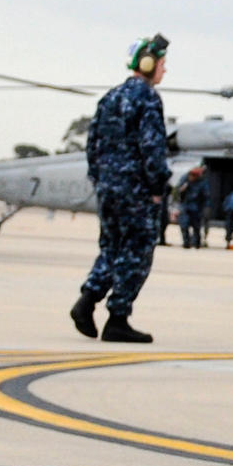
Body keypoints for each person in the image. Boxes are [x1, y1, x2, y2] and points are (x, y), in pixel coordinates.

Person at [70, 34, 172, 343]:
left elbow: (92, 144)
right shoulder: (147, 98)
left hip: (109, 188)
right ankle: (118, 319)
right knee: (137, 251)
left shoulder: (111, 97)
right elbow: (152, 147)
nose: (165, 71)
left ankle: (87, 300)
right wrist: (157, 186)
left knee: (112, 248)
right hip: (136, 190)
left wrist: (100, 179)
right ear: (148, 64)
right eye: (163, 64)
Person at [178, 166, 210, 249]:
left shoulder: (202, 182)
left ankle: (197, 243)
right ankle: (186, 243)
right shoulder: (184, 179)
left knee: (196, 227)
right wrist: (182, 189)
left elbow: (206, 196)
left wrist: (206, 207)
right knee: (184, 225)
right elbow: (178, 192)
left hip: (197, 208)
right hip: (185, 206)